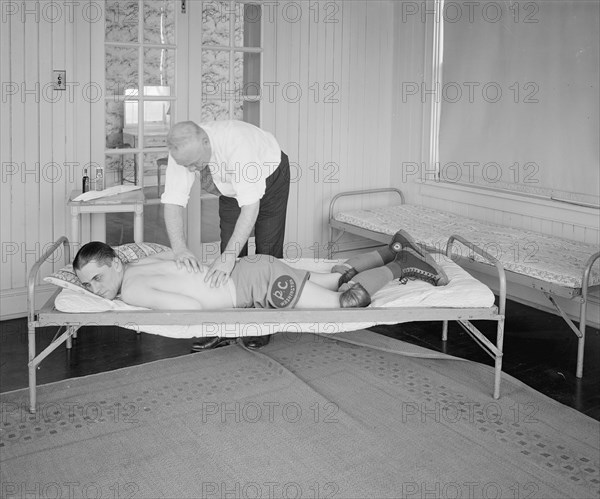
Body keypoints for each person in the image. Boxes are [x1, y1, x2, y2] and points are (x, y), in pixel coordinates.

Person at [72, 231, 448, 350]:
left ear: (115, 263)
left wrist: (240, 322)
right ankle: (393, 248)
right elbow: (177, 260)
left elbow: (191, 311)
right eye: (87, 284)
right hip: (252, 268)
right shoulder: (141, 258)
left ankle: (405, 264)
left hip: (258, 285)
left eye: (97, 279)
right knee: (336, 279)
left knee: (346, 303)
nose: (94, 289)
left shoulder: (133, 289)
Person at [161, 120, 291, 349]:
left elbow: (251, 207)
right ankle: (228, 326)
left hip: (271, 176)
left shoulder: (237, 144)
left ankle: (263, 323)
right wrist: (179, 248)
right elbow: (172, 201)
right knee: (228, 253)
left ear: (205, 141)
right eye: (187, 166)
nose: (192, 171)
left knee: (267, 250)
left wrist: (229, 257)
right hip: (229, 188)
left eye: (195, 164)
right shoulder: (181, 153)